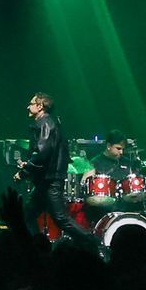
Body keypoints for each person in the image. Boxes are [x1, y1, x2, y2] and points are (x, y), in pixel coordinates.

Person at [18, 92, 86, 239]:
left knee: (61, 219)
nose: (28, 107)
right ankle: (36, 246)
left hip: (50, 181)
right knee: (27, 215)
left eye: (31, 104)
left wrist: (24, 171)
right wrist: (30, 163)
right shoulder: (45, 123)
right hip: (46, 180)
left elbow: (43, 154)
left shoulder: (46, 123)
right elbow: (44, 153)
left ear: (40, 106)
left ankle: (92, 243)